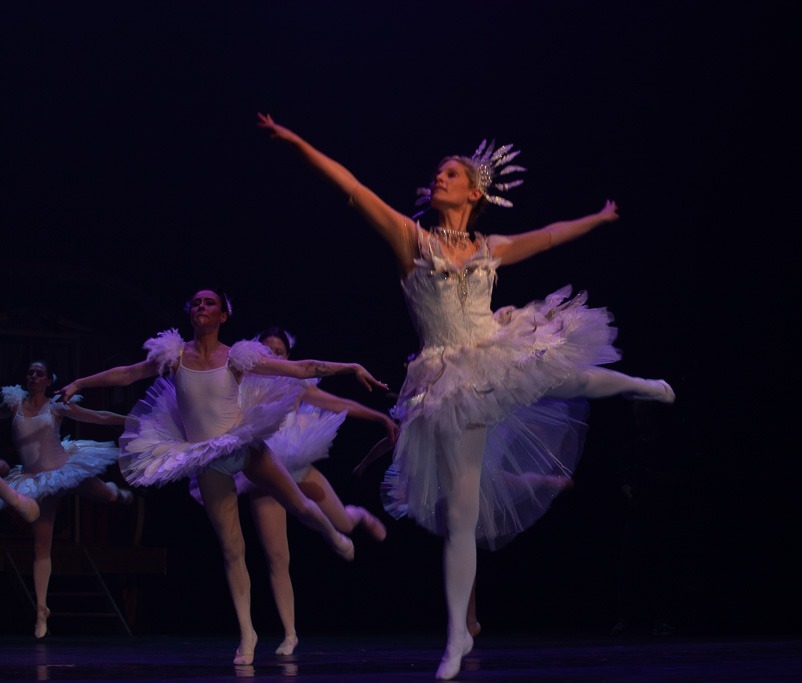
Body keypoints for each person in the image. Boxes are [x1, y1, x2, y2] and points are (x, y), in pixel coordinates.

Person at [258, 114, 676, 679]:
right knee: (462, 513)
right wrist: (297, 142)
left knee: (562, 373)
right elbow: (352, 189)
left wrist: (599, 219)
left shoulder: (490, 246)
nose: (438, 178)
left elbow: (550, 235)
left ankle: (640, 387)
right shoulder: (412, 238)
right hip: (446, 378)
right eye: (437, 173)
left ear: (474, 191)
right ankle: (457, 637)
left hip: (493, 348)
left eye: (449, 173)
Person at [57, 288, 389, 665]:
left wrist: (349, 367)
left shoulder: (236, 357)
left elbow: (302, 368)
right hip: (207, 457)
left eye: (209, 303)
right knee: (233, 549)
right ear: (190, 313)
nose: (201, 307)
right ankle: (247, 633)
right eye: (196, 303)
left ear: (223, 316)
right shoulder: (175, 355)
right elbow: (127, 374)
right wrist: (80, 383)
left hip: (243, 443)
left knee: (298, 504)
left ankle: (332, 533)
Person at [189, 325, 398, 656]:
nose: (273, 355)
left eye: (279, 351)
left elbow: (338, 403)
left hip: (298, 465)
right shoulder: (241, 383)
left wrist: (379, 418)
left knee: (341, 524)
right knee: (277, 558)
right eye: (267, 349)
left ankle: (354, 516)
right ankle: (290, 633)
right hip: (262, 477)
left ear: (287, 356)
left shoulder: (295, 385)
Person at [1, 360, 134, 638]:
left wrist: (128, 420)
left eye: (39, 373)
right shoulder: (13, 404)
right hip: (34, 480)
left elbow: (95, 416)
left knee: (104, 495)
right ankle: (41, 610)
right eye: (30, 372)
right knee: (42, 544)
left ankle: (117, 493)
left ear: (49, 380)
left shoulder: (57, 406)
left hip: (64, 468)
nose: (33, 376)